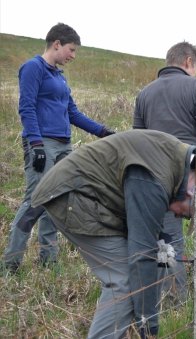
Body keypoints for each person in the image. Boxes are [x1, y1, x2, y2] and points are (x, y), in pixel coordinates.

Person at [31, 129, 196, 338]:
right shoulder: (154, 180)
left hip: (87, 194)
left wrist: (157, 243)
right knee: (124, 280)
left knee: (142, 270)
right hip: (70, 195)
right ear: (189, 194)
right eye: (185, 215)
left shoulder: (174, 162)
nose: (178, 217)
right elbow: (140, 255)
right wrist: (148, 324)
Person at [2, 23, 114, 272]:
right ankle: (10, 263)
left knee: (57, 200)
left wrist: (102, 131)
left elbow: (72, 112)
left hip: (64, 146)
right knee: (35, 199)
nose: (73, 56)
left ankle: (48, 260)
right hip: (43, 143)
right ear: (57, 44)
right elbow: (26, 108)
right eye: (71, 50)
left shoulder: (59, 77)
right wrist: (36, 144)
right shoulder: (33, 68)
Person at [133, 41, 196, 300]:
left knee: (168, 238)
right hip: (193, 168)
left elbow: (137, 139)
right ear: (189, 62)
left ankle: (173, 296)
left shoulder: (144, 94)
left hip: (156, 172)